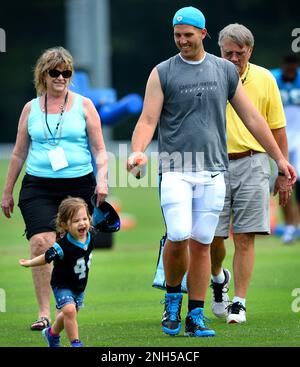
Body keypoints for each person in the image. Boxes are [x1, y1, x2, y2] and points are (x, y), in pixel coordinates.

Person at [127, 7, 296, 338]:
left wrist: (279, 159)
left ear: (203, 34)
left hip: (213, 171)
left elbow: (253, 119)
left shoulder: (223, 71)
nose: (182, 41)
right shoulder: (162, 72)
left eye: (188, 35)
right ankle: (173, 299)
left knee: (203, 242)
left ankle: (196, 314)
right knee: (178, 236)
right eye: (177, 35)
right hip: (175, 169)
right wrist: (137, 150)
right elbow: (148, 120)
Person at [0, 46, 108, 331]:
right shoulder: (31, 108)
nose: (61, 77)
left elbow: (99, 149)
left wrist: (104, 179)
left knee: (72, 247)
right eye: (55, 72)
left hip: (78, 184)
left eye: (66, 72)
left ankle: (69, 301)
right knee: (41, 243)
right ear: (43, 75)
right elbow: (18, 154)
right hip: (39, 185)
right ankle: (44, 312)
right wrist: (7, 191)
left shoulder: (84, 105)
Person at [209, 24, 291, 324]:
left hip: (253, 161)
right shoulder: (208, 74)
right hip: (213, 163)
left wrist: (282, 169)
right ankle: (219, 279)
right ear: (219, 50)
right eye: (227, 53)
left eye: (239, 54)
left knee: (245, 237)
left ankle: (239, 303)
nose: (233, 59)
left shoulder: (265, 79)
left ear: (250, 52)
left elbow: (277, 128)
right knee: (212, 237)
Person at [19, 197, 94, 347]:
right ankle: (76, 343)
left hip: (79, 286)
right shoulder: (62, 246)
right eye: (76, 221)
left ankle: (51, 334)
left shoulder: (90, 236)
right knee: (70, 311)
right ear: (64, 225)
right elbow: (45, 258)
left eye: (85, 218)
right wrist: (29, 263)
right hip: (62, 284)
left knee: (67, 314)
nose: (82, 223)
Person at [271, 54, 300, 244]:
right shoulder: (272, 78)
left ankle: (296, 224)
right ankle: (290, 226)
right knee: (284, 183)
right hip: (281, 140)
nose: (290, 72)